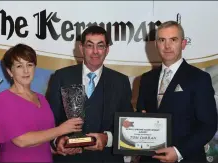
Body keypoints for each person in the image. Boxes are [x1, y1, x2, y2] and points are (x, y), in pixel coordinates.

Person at [46, 25, 133, 162]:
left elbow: (127, 125)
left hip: (107, 158)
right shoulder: (61, 77)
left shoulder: (120, 81)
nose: (95, 51)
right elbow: (49, 120)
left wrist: (107, 139)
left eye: (100, 46)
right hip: (69, 158)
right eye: (89, 45)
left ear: (107, 50)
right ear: (81, 48)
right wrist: (58, 140)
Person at [0, 44, 83, 162]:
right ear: (10, 71)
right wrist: (61, 129)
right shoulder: (4, 99)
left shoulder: (42, 99)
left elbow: (43, 140)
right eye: (19, 66)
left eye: (29, 65)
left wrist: (58, 148)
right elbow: (21, 140)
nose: (26, 70)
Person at [136, 21, 217, 163]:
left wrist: (179, 152)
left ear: (183, 43)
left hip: (186, 158)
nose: (167, 46)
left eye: (173, 40)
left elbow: (208, 125)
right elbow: (141, 114)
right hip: (150, 159)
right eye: (162, 40)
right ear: (156, 44)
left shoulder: (199, 78)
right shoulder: (147, 79)